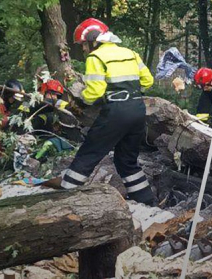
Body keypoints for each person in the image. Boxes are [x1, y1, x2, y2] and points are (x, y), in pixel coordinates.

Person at [60, 18, 155, 205]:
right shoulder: (131, 53)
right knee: (127, 160)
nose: (84, 49)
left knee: (89, 153)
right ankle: (146, 201)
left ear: (93, 40)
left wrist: (81, 99)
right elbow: (148, 81)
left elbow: (95, 91)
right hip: (137, 110)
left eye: (84, 45)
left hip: (116, 111)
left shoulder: (96, 58)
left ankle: (64, 196)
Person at [30, 79, 74, 161]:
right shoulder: (31, 102)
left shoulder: (54, 111)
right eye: (52, 94)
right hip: (31, 137)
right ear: (43, 93)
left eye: (56, 96)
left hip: (47, 138)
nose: (54, 97)